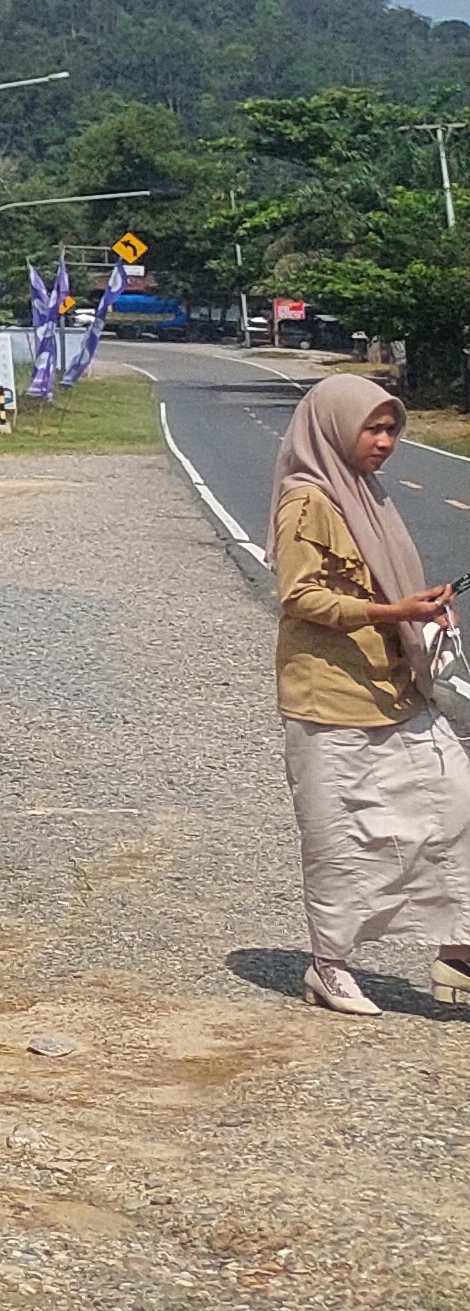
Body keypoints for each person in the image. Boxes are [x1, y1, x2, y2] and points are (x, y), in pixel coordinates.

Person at [270, 372, 470, 1015]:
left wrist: (421, 608)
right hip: (329, 694)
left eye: (392, 429)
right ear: (333, 428)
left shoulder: (366, 494)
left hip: (396, 687)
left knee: (451, 812)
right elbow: (298, 598)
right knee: (340, 835)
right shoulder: (309, 501)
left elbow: (385, 588)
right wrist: (392, 614)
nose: (385, 441)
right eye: (372, 428)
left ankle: (458, 955)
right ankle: (330, 966)